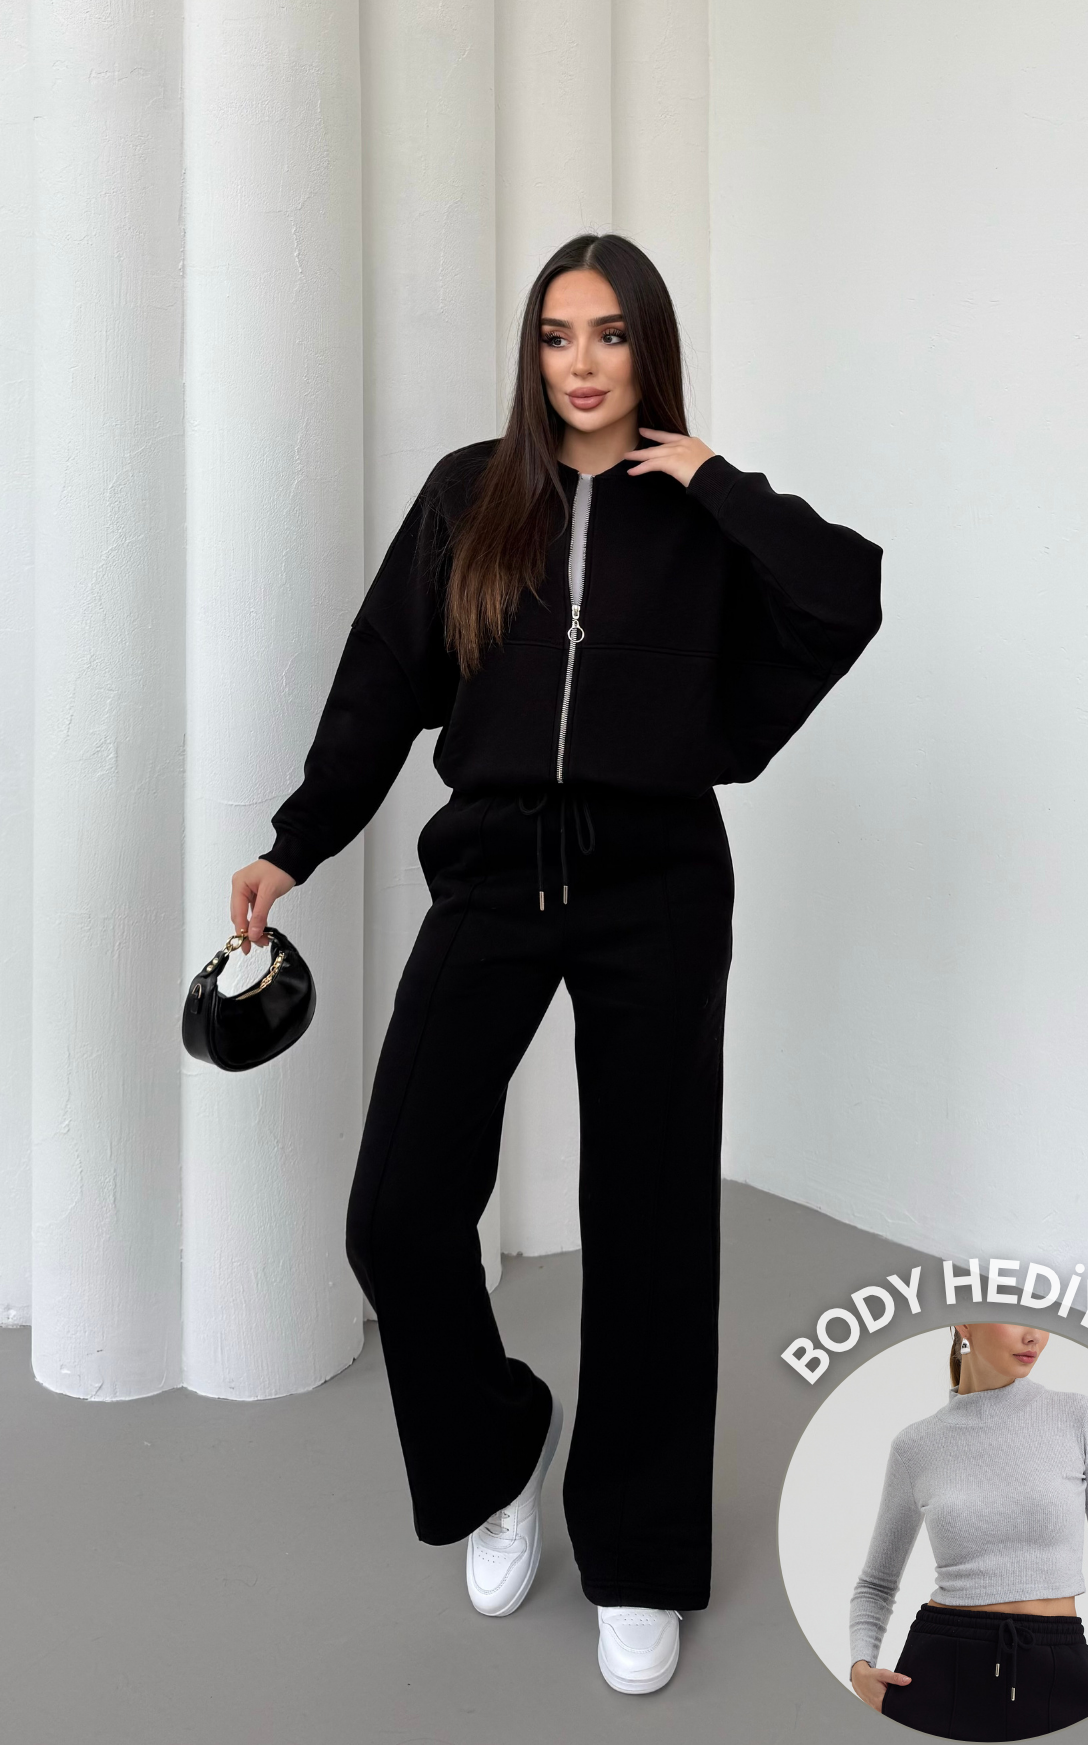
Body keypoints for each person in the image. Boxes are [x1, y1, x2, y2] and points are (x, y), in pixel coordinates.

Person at [230, 231, 882, 1695]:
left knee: (651, 1229)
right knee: (399, 1210)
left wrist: (715, 478)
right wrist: (295, 843)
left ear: (650, 349)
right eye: (555, 335)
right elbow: (381, 681)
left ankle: (638, 1557)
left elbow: (845, 594)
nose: (581, 364)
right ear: (531, 352)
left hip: (659, 887)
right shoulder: (471, 494)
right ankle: (495, 1454)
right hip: (493, 874)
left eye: (610, 335)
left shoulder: (702, 513)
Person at [849, 1323, 1088, 1738]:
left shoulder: (1079, 1416)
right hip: (941, 1671)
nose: (1035, 1336)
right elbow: (876, 1583)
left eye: (1043, 1320)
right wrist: (860, 1667)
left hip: (1062, 1670)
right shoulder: (915, 1445)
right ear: (964, 1320)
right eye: (1016, 1317)